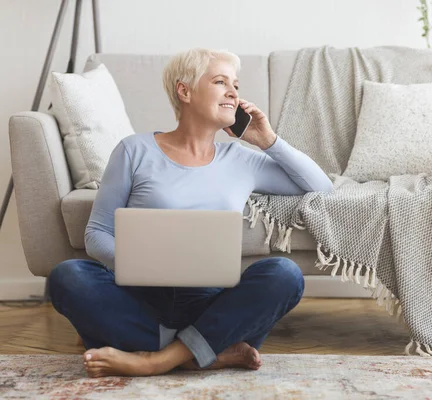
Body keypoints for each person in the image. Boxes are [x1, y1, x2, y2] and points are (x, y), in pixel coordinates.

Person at [47, 48, 334, 378]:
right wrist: (144, 265)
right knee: (68, 276)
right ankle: (207, 353)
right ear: (184, 91)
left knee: (285, 275)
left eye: (236, 85)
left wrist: (267, 139)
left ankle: (155, 359)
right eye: (220, 81)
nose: (233, 92)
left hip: (212, 306)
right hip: (141, 299)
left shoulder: (242, 160)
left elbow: (320, 186)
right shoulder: (133, 150)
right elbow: (96, 234)